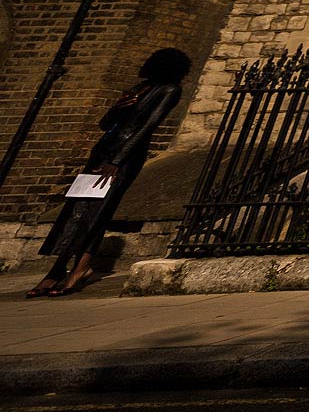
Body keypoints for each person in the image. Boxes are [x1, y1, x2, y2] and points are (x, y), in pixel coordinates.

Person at [29, 47, 190, 298]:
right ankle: (57, 269)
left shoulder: (170, 91)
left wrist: (117, 161)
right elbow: (106, 124)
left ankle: (78, 269)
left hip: (123, 158)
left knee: (98, 211)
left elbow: (147, 127)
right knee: (77, 209)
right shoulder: (140, 88)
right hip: (102, 152)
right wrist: (118, 107)